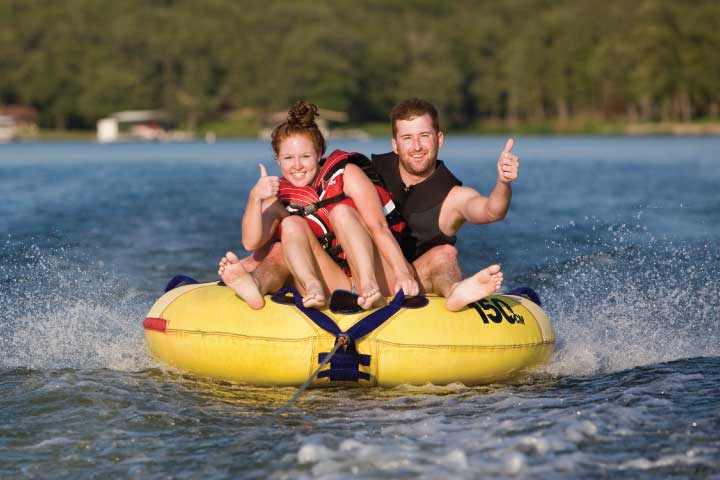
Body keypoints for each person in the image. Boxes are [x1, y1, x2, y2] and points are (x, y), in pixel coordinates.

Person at [219, 101, 418, 310]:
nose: (297, 165)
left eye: (305, 156)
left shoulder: (347, 174)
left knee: (341, 212)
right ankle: (313, 287)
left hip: (379, 275)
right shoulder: (278, 194)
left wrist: (403, 273)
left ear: (319, 152)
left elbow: (380, 228)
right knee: (291, 224)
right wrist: (255, 198)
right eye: (288, 158)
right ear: (277, 159)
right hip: (336, 280)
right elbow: (251, 242)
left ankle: (369, 287)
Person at [370, 97, 517, 311]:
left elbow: (491, 211)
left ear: (439, 139)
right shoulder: (368, 174)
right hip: (365, 278)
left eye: (424, 136)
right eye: (407, 138)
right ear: (395, 144)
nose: (417, 146)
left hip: (416, 281)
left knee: (445, 255)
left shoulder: (453, 197)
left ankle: (455, 292)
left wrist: (503, 182)